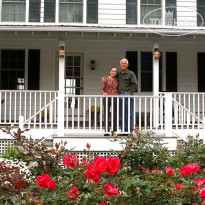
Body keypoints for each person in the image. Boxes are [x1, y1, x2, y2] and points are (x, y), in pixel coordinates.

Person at [117, 58, 138, 132]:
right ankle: (124, 129)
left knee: (129, 113)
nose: (123, 65)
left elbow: (135, 85)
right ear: (120, 65)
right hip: (119, 95)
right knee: (121, 113)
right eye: (122, 63)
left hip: (127, 94)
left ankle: (130, 130)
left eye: (124, 63)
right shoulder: (118, 74)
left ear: (127, 65)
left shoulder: (131, 73)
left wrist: (129, 93)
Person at [101, 67, 118, 135]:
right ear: (110, 71)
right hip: (107, 97)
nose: (114, 72)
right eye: (112, 71)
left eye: (115, 71)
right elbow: (102, 89)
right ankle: (107, 131)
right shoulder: (105, 79)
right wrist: (103, 93)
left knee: (115, 114)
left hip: (115, 97)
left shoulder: (117, 79)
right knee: (106, 113)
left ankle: (114, 131)